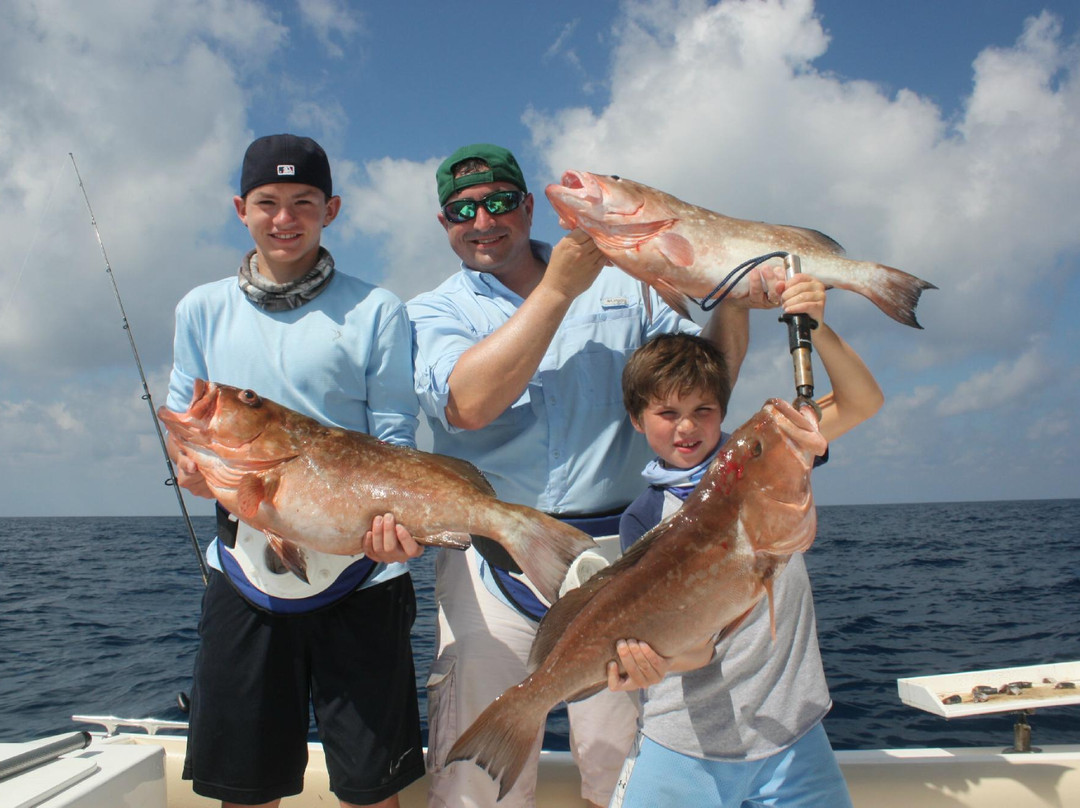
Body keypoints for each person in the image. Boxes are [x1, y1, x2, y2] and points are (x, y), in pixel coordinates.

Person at [404, 143, 782, 808]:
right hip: (493, 562)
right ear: (445, 225)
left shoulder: (627, 278)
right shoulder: (434, 311)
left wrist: (737, 290)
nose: (482, 221)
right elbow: (466, 405)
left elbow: (706, 381)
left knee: (621, 764)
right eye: (462, 211)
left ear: (526, 207)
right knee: (471, 778)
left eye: (497, 203)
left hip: (623, 556)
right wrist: (558, 290)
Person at [163, 133, 425, 808]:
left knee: (373, 788)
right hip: (244, 568)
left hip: (364, 570)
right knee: (243, 789)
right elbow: (182, 421)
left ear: (330, 209)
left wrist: (396, 528)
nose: (285, 218)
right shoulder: (200, 309)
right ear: (240, 209)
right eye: (268, 202)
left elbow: (394, 438)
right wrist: (190, 468)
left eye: (303, 202)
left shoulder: (377, 311)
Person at [604, 278, 884, 808]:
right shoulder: (642, 520)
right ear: (639, 420)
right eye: (667, 413)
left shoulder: (765, 459)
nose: (687, 428)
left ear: (723, 410)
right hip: (684, 745)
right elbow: (687, 646)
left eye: (704, 411)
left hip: (794, 735)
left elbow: (863, 401)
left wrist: (817, 327)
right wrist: (647, 663)